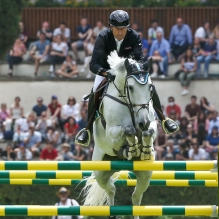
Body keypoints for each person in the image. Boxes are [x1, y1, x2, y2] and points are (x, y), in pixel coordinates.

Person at [75, 10, 179, 146]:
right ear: (110, 27)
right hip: (107, 71)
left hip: (129, 71)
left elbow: (140, 59)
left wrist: (137, 70)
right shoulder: (103, 37)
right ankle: (87, 129)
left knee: (149, 84)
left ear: (127, 27)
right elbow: (93, 64)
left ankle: (163, 119)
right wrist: (106, 73)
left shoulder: (134, 36)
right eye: (117, 29)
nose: (120, 32)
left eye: (123, 28)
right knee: (95, 89)